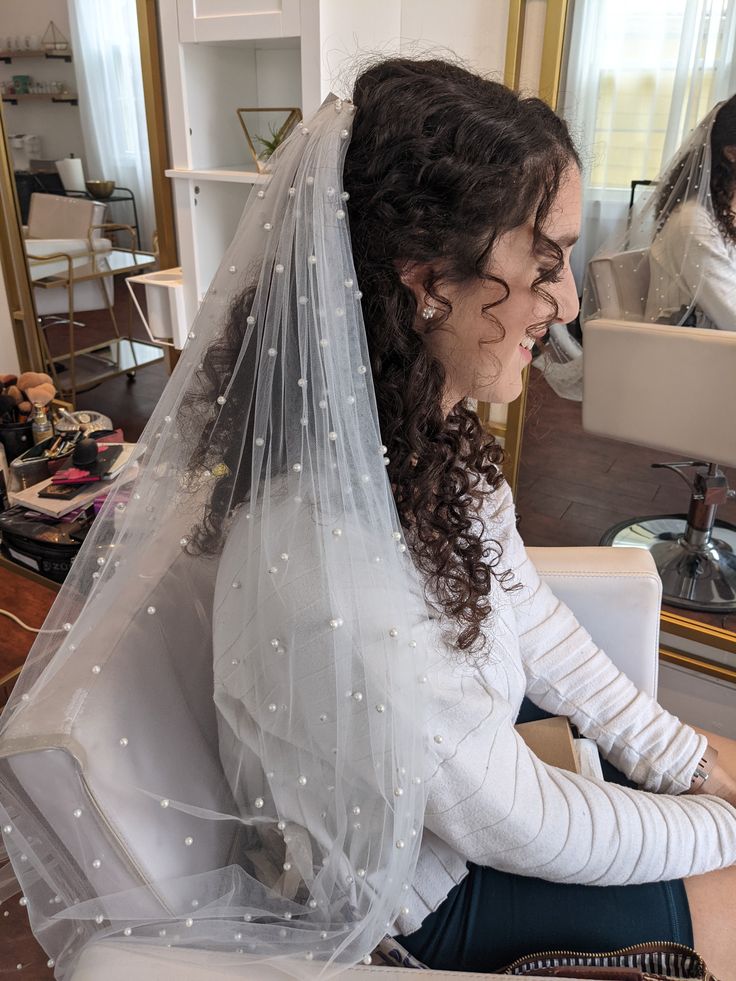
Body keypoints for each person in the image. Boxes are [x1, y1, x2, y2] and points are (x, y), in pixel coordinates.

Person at [2, 58, 736, 980]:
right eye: (545, 263)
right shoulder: (330, 573)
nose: (571, 302)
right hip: (431, 896)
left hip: (480, 810)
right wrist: (723, 826)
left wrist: (688, 758)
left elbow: (532, 611)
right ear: (428, 282)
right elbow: (519, 823)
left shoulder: (418, 443)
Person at [644, 95, 736, 330]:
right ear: (731, 153)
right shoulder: (693, 223)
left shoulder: (724, 212)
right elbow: (732, 317)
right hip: (690, 358)